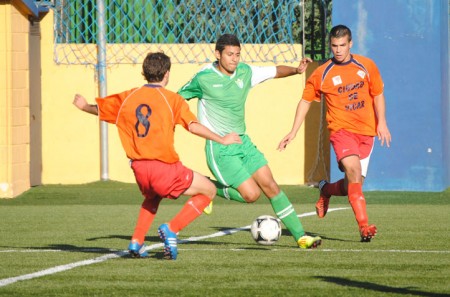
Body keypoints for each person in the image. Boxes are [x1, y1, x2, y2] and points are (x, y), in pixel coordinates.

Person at [73, 52, 242, 260]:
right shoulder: (173, 100)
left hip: (139, 169)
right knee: (207, 191)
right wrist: (222, 139)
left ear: (144, 73)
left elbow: (100, 109)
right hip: (164, 168)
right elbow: (193, 126)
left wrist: (83, 107)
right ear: (167, 74)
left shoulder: (128, 97)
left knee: (152, 197)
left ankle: (136, 241)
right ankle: (172, 229)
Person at [178, 34, 322, 249]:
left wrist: (296, 70)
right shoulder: (203, 77)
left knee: (270, 185)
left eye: (237, 54)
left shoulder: (245, 72)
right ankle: (206, 187)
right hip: (220, 148)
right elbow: (177, 100)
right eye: (229, 55)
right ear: (217, 54)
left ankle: (301, 237)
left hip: (243, 142)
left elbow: (273, 71)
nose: (234, 59)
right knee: (251, 195)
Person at [278, 25, 392, 242]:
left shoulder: (366, 66)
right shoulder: (322, 73)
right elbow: (305, 101)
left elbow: (378, 94)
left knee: (353, 184)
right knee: (353, 169)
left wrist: (382, 122)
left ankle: (326, 190)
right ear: (330, 45)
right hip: (341, 132)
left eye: (342, 45)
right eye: (334, 46)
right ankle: (364, 226)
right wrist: (293, 131)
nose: (338, 50)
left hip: (367, 133)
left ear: (350, 44)